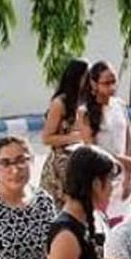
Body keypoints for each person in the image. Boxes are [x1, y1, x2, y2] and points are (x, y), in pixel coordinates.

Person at [76, 60, 131, 226]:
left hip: (122, 176)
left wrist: (128, 175)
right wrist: (121, 161)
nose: (112, 87)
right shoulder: (85, 112)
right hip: (102, 177)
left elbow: (128, 139)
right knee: (104, 223)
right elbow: (91, 148)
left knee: (122, 222)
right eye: (106, 83)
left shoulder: (119, 105)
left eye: (114, 81)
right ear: (94, 84)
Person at [39, 58, 88, 200]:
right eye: (87, 76)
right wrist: (76, 137)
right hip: (60, 169)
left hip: (82, 164)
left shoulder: (86, 101)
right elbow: (47, 138)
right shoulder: (60, 103)